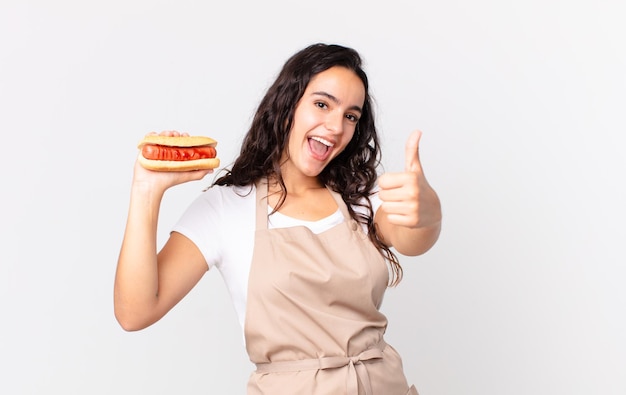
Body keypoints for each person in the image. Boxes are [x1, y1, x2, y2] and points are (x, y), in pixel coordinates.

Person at [114, 43, 442, 395]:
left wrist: (427, 211)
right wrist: (146, 191)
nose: (335, 126)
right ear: (288, 106)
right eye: (322, 104)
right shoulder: (228, 207)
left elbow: (412, 239)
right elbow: (136, 312)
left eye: (351, 115)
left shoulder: (361, 196)